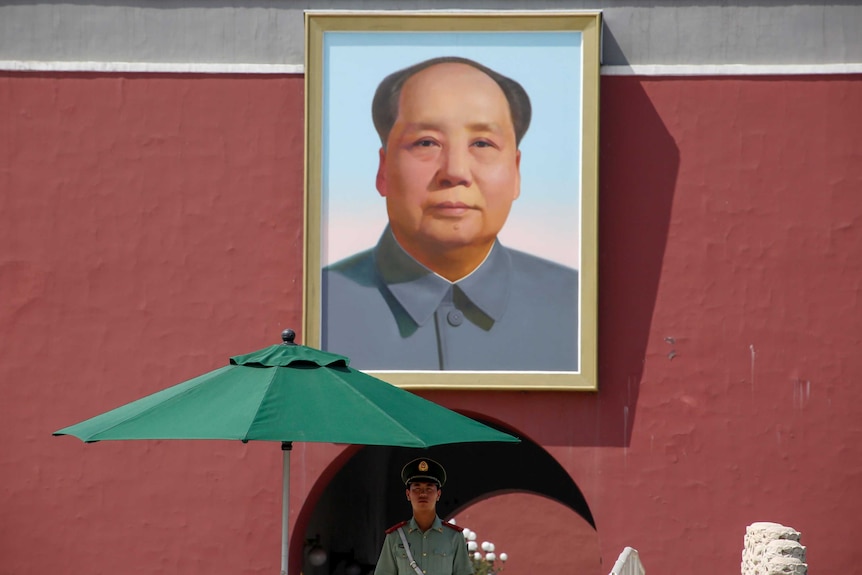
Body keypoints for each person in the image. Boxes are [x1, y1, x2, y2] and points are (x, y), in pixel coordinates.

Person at [322, 56, 579, 371]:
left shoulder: (577, 306)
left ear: (516, 171)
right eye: (426, 142)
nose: (455, 172)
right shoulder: (319, 306)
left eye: (482, 144)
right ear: (383, 169)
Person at [374, 458, 473, 575]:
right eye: (417, 488)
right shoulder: (395, 537)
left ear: (438, 494)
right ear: (408, 494)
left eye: (429, 488)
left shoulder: (453, 537)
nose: (423, 493)